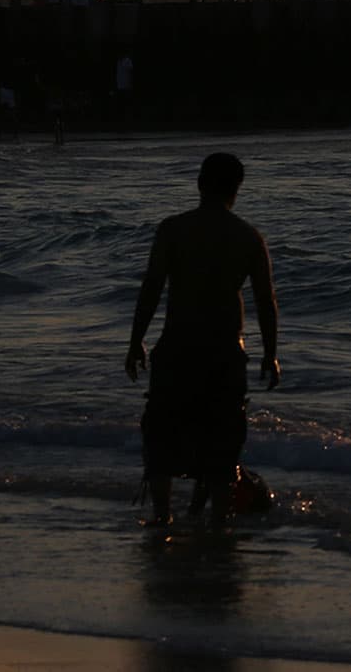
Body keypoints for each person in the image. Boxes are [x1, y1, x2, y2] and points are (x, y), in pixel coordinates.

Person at [127, 152, 279, 527]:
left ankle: (162, 518)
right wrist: (271, 354)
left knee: (162, 432)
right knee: (223, 439)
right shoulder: (248, 236)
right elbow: (265, 301)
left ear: (199, 183)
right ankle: (219, 521)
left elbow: (151, 289)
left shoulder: (173, 229)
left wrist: (135, 341)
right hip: (225, 352)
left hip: (177, 346)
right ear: (237, 189)